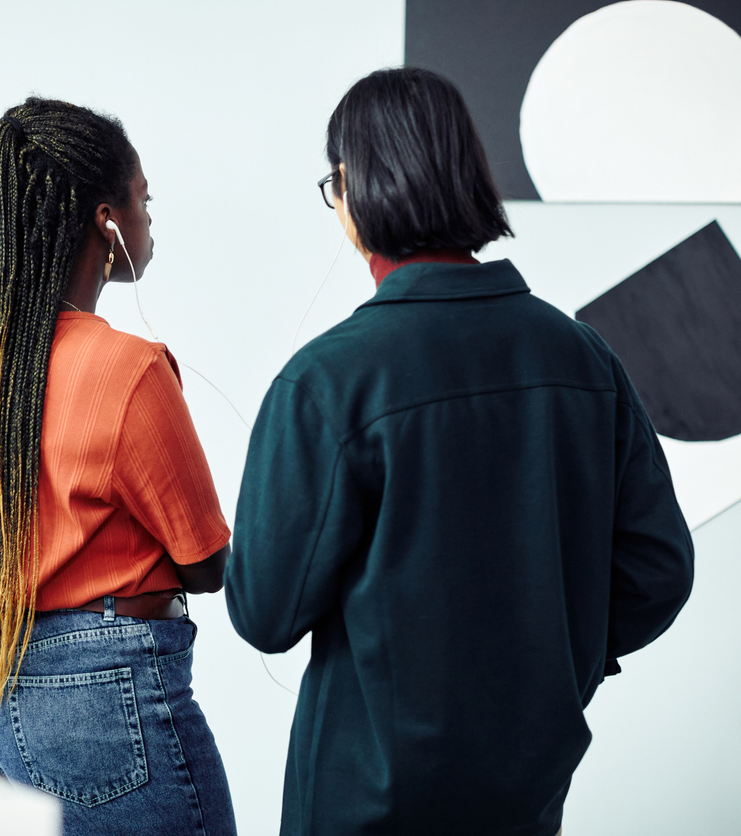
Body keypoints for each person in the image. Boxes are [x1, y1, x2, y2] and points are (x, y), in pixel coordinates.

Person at [225, 67, 694, 836]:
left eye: (332, 182)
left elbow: (265, 612)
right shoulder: (584, 359)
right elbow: (658, 571)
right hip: (525, 799)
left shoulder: (327, 379)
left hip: (363, 804)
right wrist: (552, 658)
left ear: (355, 186)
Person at [0, 98, 237, 836]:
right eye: (144, 199)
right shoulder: (128, 369)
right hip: (103, 696)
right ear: (107, 223)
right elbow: (207, 565)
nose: (149, 217)